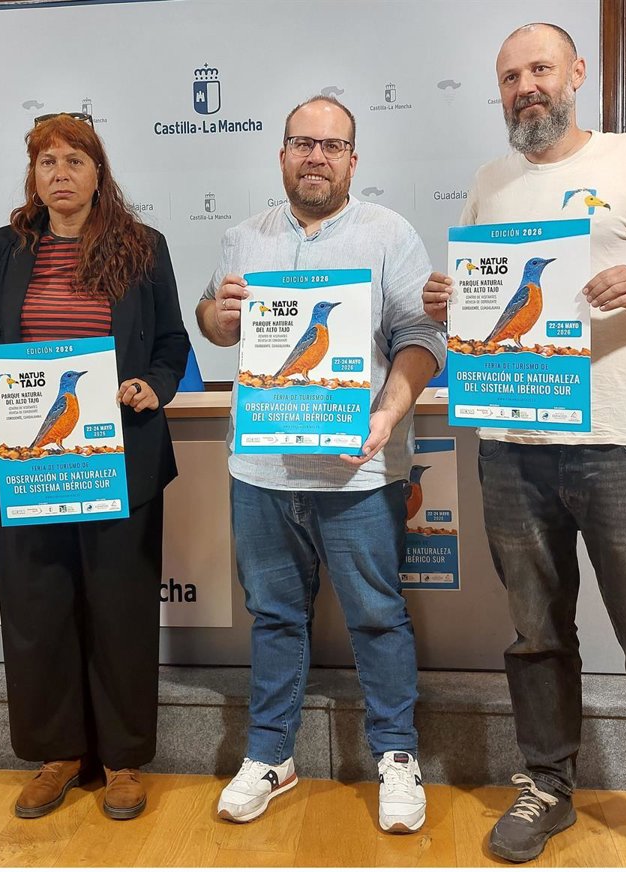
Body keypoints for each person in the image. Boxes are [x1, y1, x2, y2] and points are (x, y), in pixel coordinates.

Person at [423, 23, 626, 867]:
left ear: (577, 73)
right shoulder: (488, 183)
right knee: (535, 636)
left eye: (541, 69)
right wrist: (449, 303)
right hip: (512, 447)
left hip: (621, 442)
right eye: (510, 76)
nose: (526, 87)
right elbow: (478, 306)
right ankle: (548, 785)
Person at [196, 95, 444, 835]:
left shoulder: (389, 234)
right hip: (262, 472)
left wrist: (387, 414)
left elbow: (423, 337)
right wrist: (219, 317)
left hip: (357, 472)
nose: (316, 157)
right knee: (274, 618)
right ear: (282, 154)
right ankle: (271, 755)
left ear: (352, 161)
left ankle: (396, 756)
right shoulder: (243, 238)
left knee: (378, 618)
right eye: (303, 143)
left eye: (332, 146)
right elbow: (211, 319)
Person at [0, 112, 189, 822]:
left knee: (120, 611)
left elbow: (173, 341)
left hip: (119, 459)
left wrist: (156, 385)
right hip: (30, 460)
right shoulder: (9, 246)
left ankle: (122, 760)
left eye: (74, 161)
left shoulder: (143, 246)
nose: (60, 174)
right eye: (47, 162)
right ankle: (57, 754)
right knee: (37, 609)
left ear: (99, 173)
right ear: (33, 175)